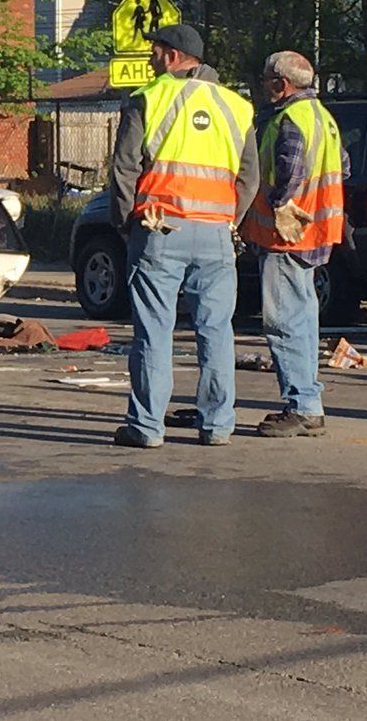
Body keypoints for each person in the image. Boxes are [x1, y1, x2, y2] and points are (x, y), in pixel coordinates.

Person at [108, 24, 259, 447]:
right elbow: (248, 178)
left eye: (155, 52)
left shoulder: (150, 99)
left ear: (173, 56)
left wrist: (124, 221)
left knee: (154, 331)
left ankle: (147, 427)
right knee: (216, 331)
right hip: (215, 235)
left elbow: (124, 169)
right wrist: (230, 218)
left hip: (160, 230)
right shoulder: (236, 107)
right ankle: (217, 426)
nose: (151, 60)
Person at [241, 51, 347, 437]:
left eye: (267, 79)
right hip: (315, 234)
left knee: (284, 321)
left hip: (286, 235)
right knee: (303, 320)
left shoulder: (290, 120)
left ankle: (302, 405)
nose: (263, 85)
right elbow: (343, 167)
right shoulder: (324, 118)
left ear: (280, 85)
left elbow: (290, 175)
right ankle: (308, 403)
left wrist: (276, 205)